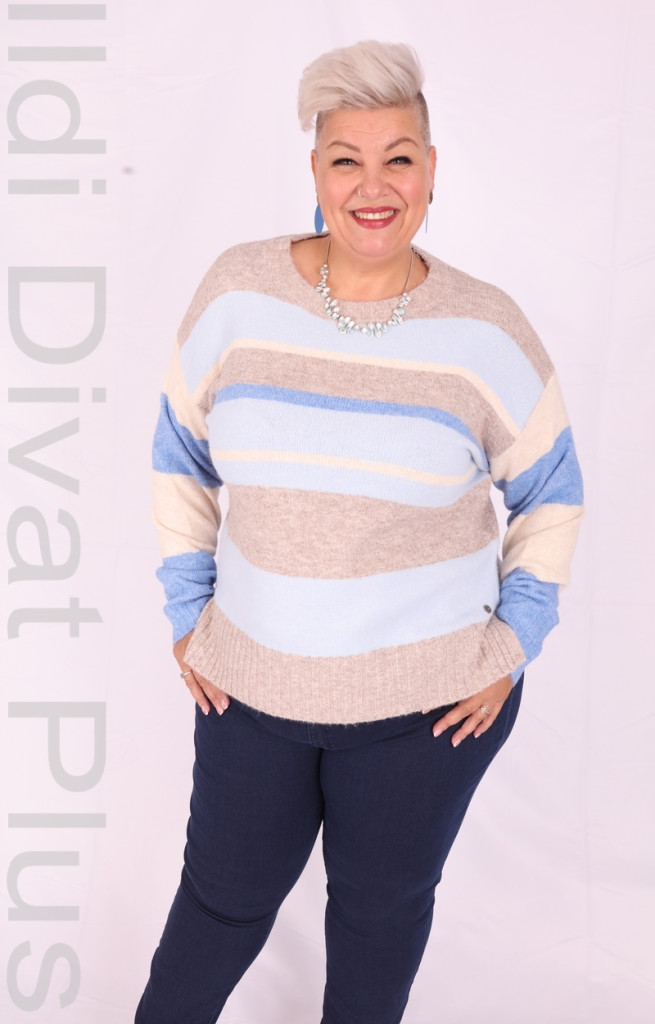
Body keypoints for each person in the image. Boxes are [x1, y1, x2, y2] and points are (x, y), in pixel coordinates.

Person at [136, 40, 583, 1024]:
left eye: (398, 158)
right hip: (249, 690)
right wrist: (186, 611)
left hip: (425, 712)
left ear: (430, 170)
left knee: (378, 925)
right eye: (347, 159)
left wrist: (513, 641)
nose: (372, 187)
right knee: (220, 908)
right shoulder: (238, 293)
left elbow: (552, 493)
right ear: (315, 170)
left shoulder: (485, 330)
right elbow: (179, 455)